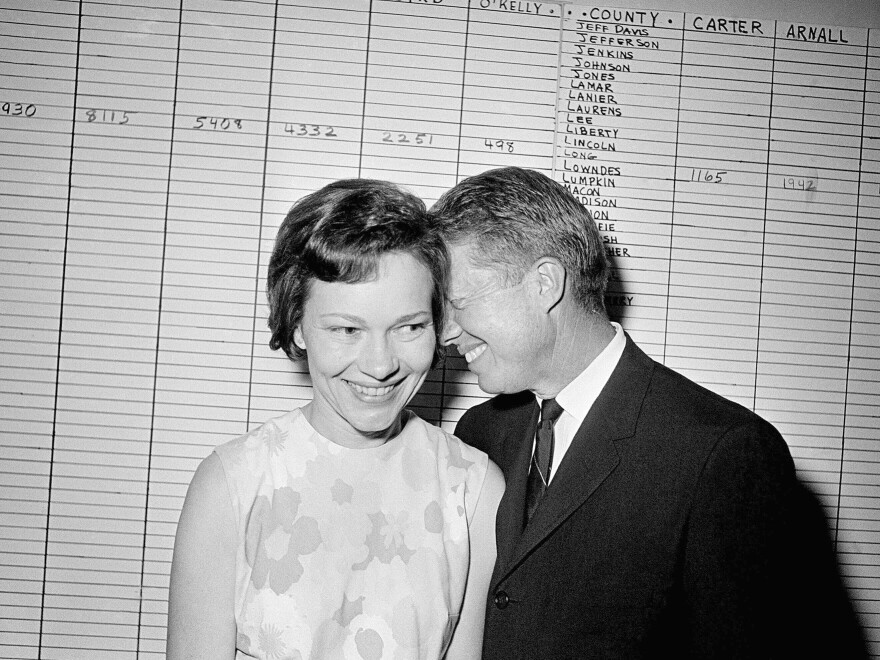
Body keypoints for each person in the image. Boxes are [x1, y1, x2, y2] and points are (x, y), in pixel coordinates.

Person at [430, 166, 867, 659]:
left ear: (545, 283)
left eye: (458, 303)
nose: (445, 333)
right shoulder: (481, 431)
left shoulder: (722, 454)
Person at [167, 179, 504, 660]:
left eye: (409, 327)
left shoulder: (474, 491)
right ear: (298, 325)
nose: (380, 364)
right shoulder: (233, 483)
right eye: (347, 329)